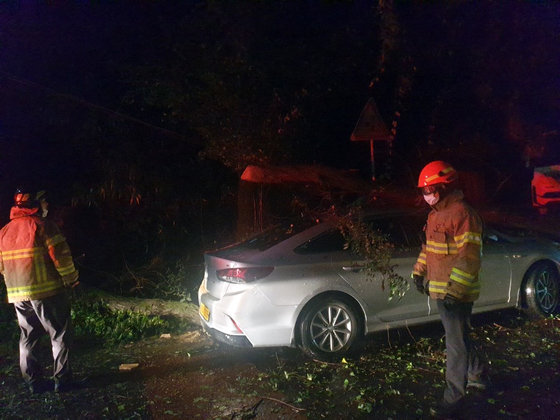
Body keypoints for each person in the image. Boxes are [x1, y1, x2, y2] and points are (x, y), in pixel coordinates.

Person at [411, 161, 486, 417]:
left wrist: (455, 290)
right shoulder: (434, 215)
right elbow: (429, 250)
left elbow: (469, 257)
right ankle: (477, 373)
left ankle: (453, 398)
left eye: (429, 189)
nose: (426, 195)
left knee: (455, 343)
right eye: (423, 190)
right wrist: (418, 272)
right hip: (442, 292)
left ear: (444, 186)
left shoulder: (463, 215)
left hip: (457, 293)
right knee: (460, 336)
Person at [0, 188, 80, 394]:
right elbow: (61, 257)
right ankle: (62, 381)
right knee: (59, 334)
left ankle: (33, 382)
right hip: (48, 292)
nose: (47, 206)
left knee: (28, 336)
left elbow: (2, 267)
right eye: (44, 202)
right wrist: (72, 279)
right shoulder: (44, 227)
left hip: (18, 295)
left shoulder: (4, 232)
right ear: (35, 205)